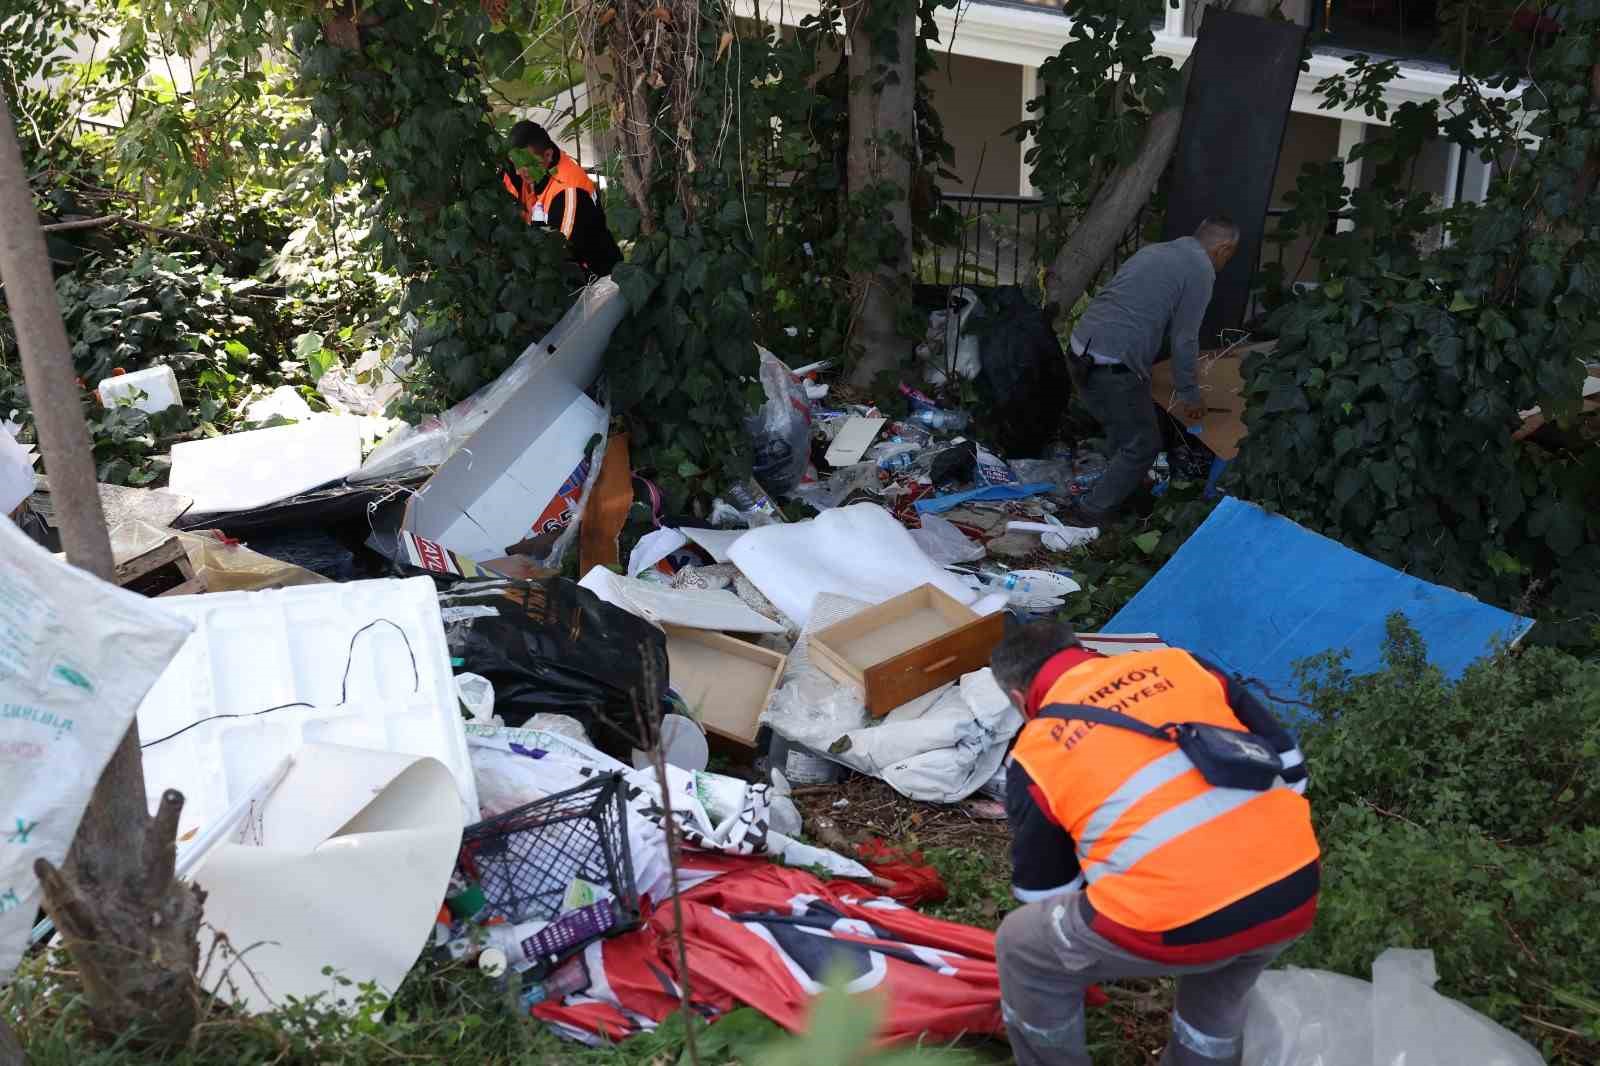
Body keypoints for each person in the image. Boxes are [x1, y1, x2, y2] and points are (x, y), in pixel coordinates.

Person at [990, 620, 1318, 1066]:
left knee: (1023, 945)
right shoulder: (1183, 664)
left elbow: (1043, 897)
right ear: (1082, 650)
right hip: (1293, 888)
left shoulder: (1036, 751)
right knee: (1220, 993)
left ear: (1017, 698)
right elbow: (1293, 770)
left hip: (1173, 920)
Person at [1062, 218, 1240, 525]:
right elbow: (1184, 338)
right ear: (1224, 248)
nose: (1226, 263)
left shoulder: (1155, 252)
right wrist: (1189, 393)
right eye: (1229, 256)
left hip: (1080, 352)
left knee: (1123, 433)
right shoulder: (1200, 270)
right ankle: (1088, 512)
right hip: (1113, 364)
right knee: (1144, 444)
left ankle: (1126, 498)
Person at [502, 120, 621, 277]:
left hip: (593, 281)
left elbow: (557, 257)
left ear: (548, 155)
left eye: (525, 165)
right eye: (515, 163)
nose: (517, 172)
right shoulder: (528, 170)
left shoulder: (568, 194)